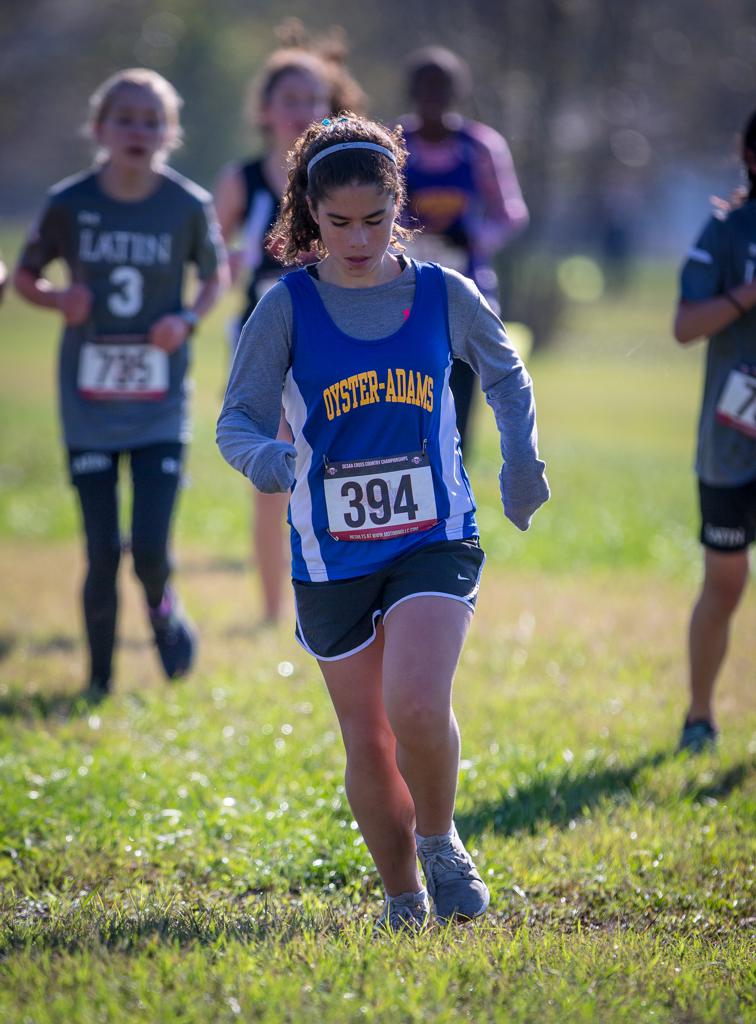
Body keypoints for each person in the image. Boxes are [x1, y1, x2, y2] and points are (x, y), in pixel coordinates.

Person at [217, 114, 549, 930]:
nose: (357, 239)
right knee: (367, 740)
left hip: (434, 533)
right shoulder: (286, 306)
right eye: (337, 224)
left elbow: (506, 374)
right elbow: (238, 421)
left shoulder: (442, 292)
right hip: (330, 554)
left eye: (374, 219)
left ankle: (440, 842)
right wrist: (267, 460)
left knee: (415, 704)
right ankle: (402, 897)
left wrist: (520, 458)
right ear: (308, 214)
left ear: (398, 204)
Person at [14, 68, 227, 700]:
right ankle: (99, 684)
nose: (140, 130)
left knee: (151, 551)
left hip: (160, 405)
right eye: (126, 118)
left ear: (170, 132)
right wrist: (59, 300)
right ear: (100, 128)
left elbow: (215, 278)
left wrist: (185, 319)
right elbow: (26, 276)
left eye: (152, 119)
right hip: (88, 405)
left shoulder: (187, 205)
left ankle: (163, 609)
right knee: (102, 550)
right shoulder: (70, 202)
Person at [213, 23, 365, 624]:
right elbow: (206, 258)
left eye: (315, 100)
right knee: (273, 469)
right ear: (267, 110)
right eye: (291, 99)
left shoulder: (345, 177)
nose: (303, 110)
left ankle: (345, 590)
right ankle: (276, 611)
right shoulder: (242, 181)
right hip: (264, 345)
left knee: (343, 464)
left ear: (332, 110)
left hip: (338, 342)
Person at [397, 46, 529, 453]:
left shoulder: (481, 146)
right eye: (425, 87)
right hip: (403, 295)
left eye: (443, 87)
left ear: (458, 92)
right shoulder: (394, 142)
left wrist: (474, 237)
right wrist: (408, 234)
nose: (433, 97)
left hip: (466, 296)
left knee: (457, 404)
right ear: (412, 92)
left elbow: (511, 213)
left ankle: (455, 483)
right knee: (405, 399)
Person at [673, 108, 756, 753]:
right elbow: (685, 326)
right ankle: (699, 715)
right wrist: (748, 294)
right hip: (732, 442)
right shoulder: (727, 232)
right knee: (725, 581)